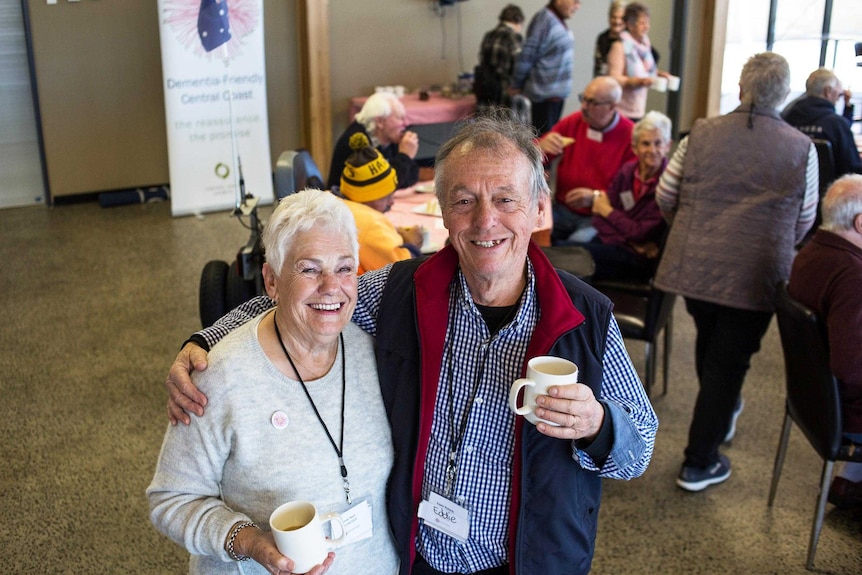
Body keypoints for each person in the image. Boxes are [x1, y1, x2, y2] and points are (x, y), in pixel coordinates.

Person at [165, 114, 658, 574]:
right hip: (412, 558)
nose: (485, 221)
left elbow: (639, 450)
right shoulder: (405, 292)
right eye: (465, 200)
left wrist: (597, 423)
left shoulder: (584, 318)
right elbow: (315, 297)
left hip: (525, 563)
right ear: (443, 211)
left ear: (538, 209)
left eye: (506, 199)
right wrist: (206, 339)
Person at [148, 189, 399, 575]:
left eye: (345, 267)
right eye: (309, 269)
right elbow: (172, 498)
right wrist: (247, 541)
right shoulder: (221, 376)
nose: (332, 286)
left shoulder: (375, 352)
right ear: (271, 281)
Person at [654, 52, 819, 492]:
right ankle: (699, 461)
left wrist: (689, 225)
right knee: (728, 362)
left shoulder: (700, 133)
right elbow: (805, 218)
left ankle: (718, 417)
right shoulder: (801, 149)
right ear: (784, 95)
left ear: (742, 88)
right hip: (758, 270)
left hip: (696, 262)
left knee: (712, 348)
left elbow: (665, 194)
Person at [788, 174, 862, 508]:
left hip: (810, 400)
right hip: (844, 412)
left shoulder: (811, 252)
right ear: (860, 222)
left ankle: (849, 480)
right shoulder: (853, 273)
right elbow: (849, 368)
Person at [539, 76, 636, 244]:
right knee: (531, 234)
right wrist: (539, 146)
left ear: (612, 107)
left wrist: (596, 196)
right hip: (562, 209)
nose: (584, 107)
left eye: (592, 103)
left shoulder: (630, 135)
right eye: (583, 99)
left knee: (573, 249)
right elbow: (533, 155)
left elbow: (632, 192)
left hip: (597, 217)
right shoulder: (574, 122)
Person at [579, 110, 671, 282]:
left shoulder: (667, 185)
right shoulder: (627, 171)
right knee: (565, 254)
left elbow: (641, 232)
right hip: (621, 245)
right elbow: (598, 216)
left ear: (668, 146)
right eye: (645, 143)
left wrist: (609, 212)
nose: (652, 150)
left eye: (658, 143)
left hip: (637, 260)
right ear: (635, 147)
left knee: (567, 256)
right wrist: (630, 240)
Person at [338, 133, 422, 274]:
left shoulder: (335, 203)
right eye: (385, 197)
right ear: (365, 197)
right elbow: (405, 273)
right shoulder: (370, 223)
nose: (392, 202)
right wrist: (411, 245)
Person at [512, 0, 581, 135]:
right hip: (543, 98)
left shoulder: (557, 19)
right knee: (542, 145)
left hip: (554, 97)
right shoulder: (544, 20)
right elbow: (528, 55)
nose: (577, 6)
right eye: (575, 1)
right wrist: (516, 84)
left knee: (550, 145)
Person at [327, 92, 419, 191]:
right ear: (380, 122)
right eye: (399, 118)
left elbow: (412, 176)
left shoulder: (388, 137)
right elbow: (382, 188)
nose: (405, 123)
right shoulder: (357, 142)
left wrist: (405, 159)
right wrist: (405, 156)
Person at [782, 68, 862, 178]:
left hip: (791, 187)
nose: (839, 98)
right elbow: (853, 170)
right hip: (830, 192)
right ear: (827, 91)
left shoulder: (786, 117)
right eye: (839, 94)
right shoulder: (836, 124)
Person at [607, 2, 670, 121]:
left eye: (647, 22)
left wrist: (659, 74)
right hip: (621, 110)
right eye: (642, 23)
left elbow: (644, 71)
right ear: (630, 25)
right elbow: (614, 78)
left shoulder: (644, 45)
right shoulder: (619, 46)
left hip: (638, 108)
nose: (647, 26)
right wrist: (638, 81)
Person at [474, 4, 525, 109]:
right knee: (506, 123)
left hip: (486, 87)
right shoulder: (514, 37)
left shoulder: (488, 35)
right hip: (505, 91)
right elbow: (519, 68)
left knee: (487, 123)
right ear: (518, 20)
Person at [593, 1, 627, 77]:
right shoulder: (602, 38)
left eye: (621, 18)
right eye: (614, 17)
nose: (617, 21)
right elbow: (598, 67)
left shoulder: (630, 40)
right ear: (609, 17)